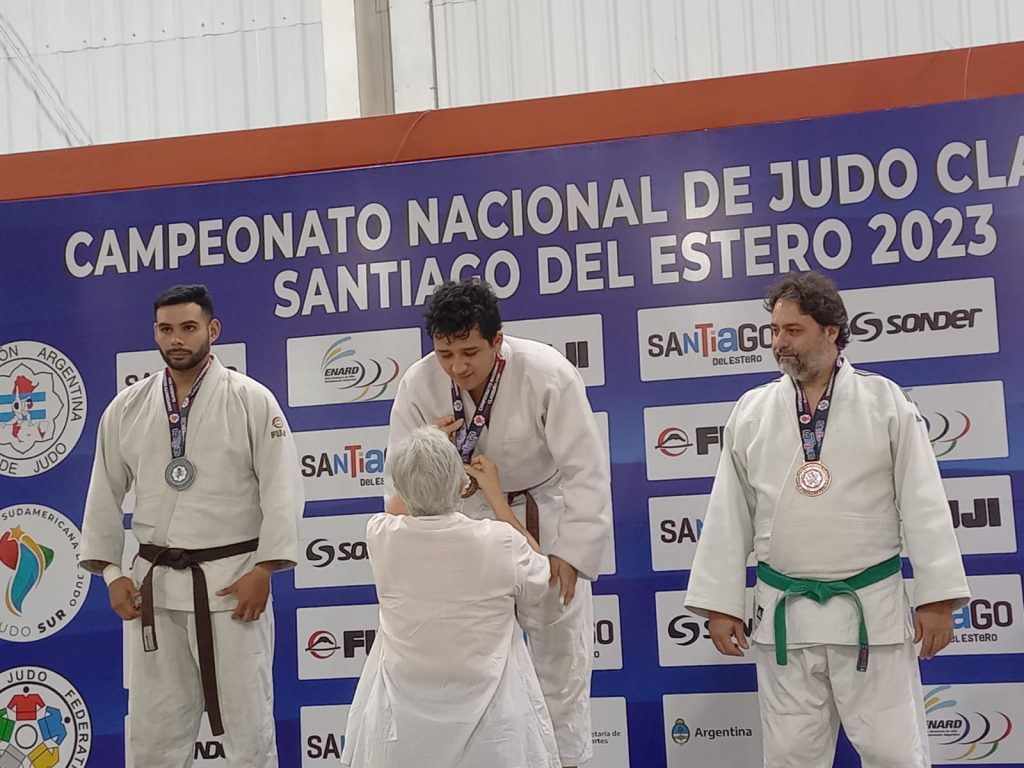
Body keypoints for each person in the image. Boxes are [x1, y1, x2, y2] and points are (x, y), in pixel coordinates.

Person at [684, 271, 970, 768]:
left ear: (832, 331)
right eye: (774, 331)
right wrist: (721, 604)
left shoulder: (886, 403)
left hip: (871, 615)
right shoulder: (752, 412)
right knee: (790, 756)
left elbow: (924, 503)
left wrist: (938, 599)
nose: (779, 344)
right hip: (785, 619)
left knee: (893, 753)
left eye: (793, 331)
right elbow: (729, 514)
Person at [384, 279, 612, 767]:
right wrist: (432, 449)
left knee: (561, 662)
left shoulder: (548, 372)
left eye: (470, 351)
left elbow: (586, 470)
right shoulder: (419, 384)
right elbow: (400, 483)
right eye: (445, 354)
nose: (457, 366)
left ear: (497, 340)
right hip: (461, 522)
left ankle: (566, 761)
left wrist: (572, 553)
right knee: (470, 663)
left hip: (541, 516)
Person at [79, 284, 304, 768]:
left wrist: (264, 570)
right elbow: (103, 493)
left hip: (230, 585)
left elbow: (282, 490)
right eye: (166, 329)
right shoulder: (128, 407)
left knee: (249, 728)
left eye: (188, 327)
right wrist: (112, 573)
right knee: (153, 729)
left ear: (212, 330)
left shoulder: (251, 401)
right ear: (155, 333)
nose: (177, 339)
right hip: (153, 590)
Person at [342, 426, 558, 768]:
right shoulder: (499, 541)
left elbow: (399, 505)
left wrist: (419, 451)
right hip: (493, 729)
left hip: (401, 730)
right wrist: (497, 498)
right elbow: (542, 575)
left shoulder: (381, 536)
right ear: (462, 484)